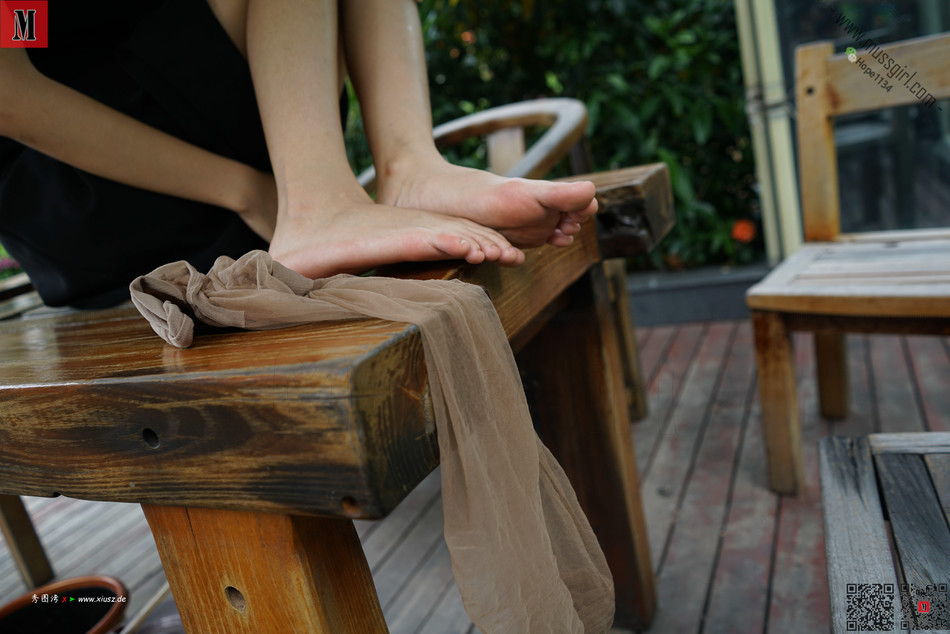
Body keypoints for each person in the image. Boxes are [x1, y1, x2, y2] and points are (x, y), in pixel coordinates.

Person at [0, 0, 598, 309]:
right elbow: (13, 93)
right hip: (104, 202)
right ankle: (317, 208)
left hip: (252, 154)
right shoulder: (25, 18)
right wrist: (247, 190)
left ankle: (410, 168)